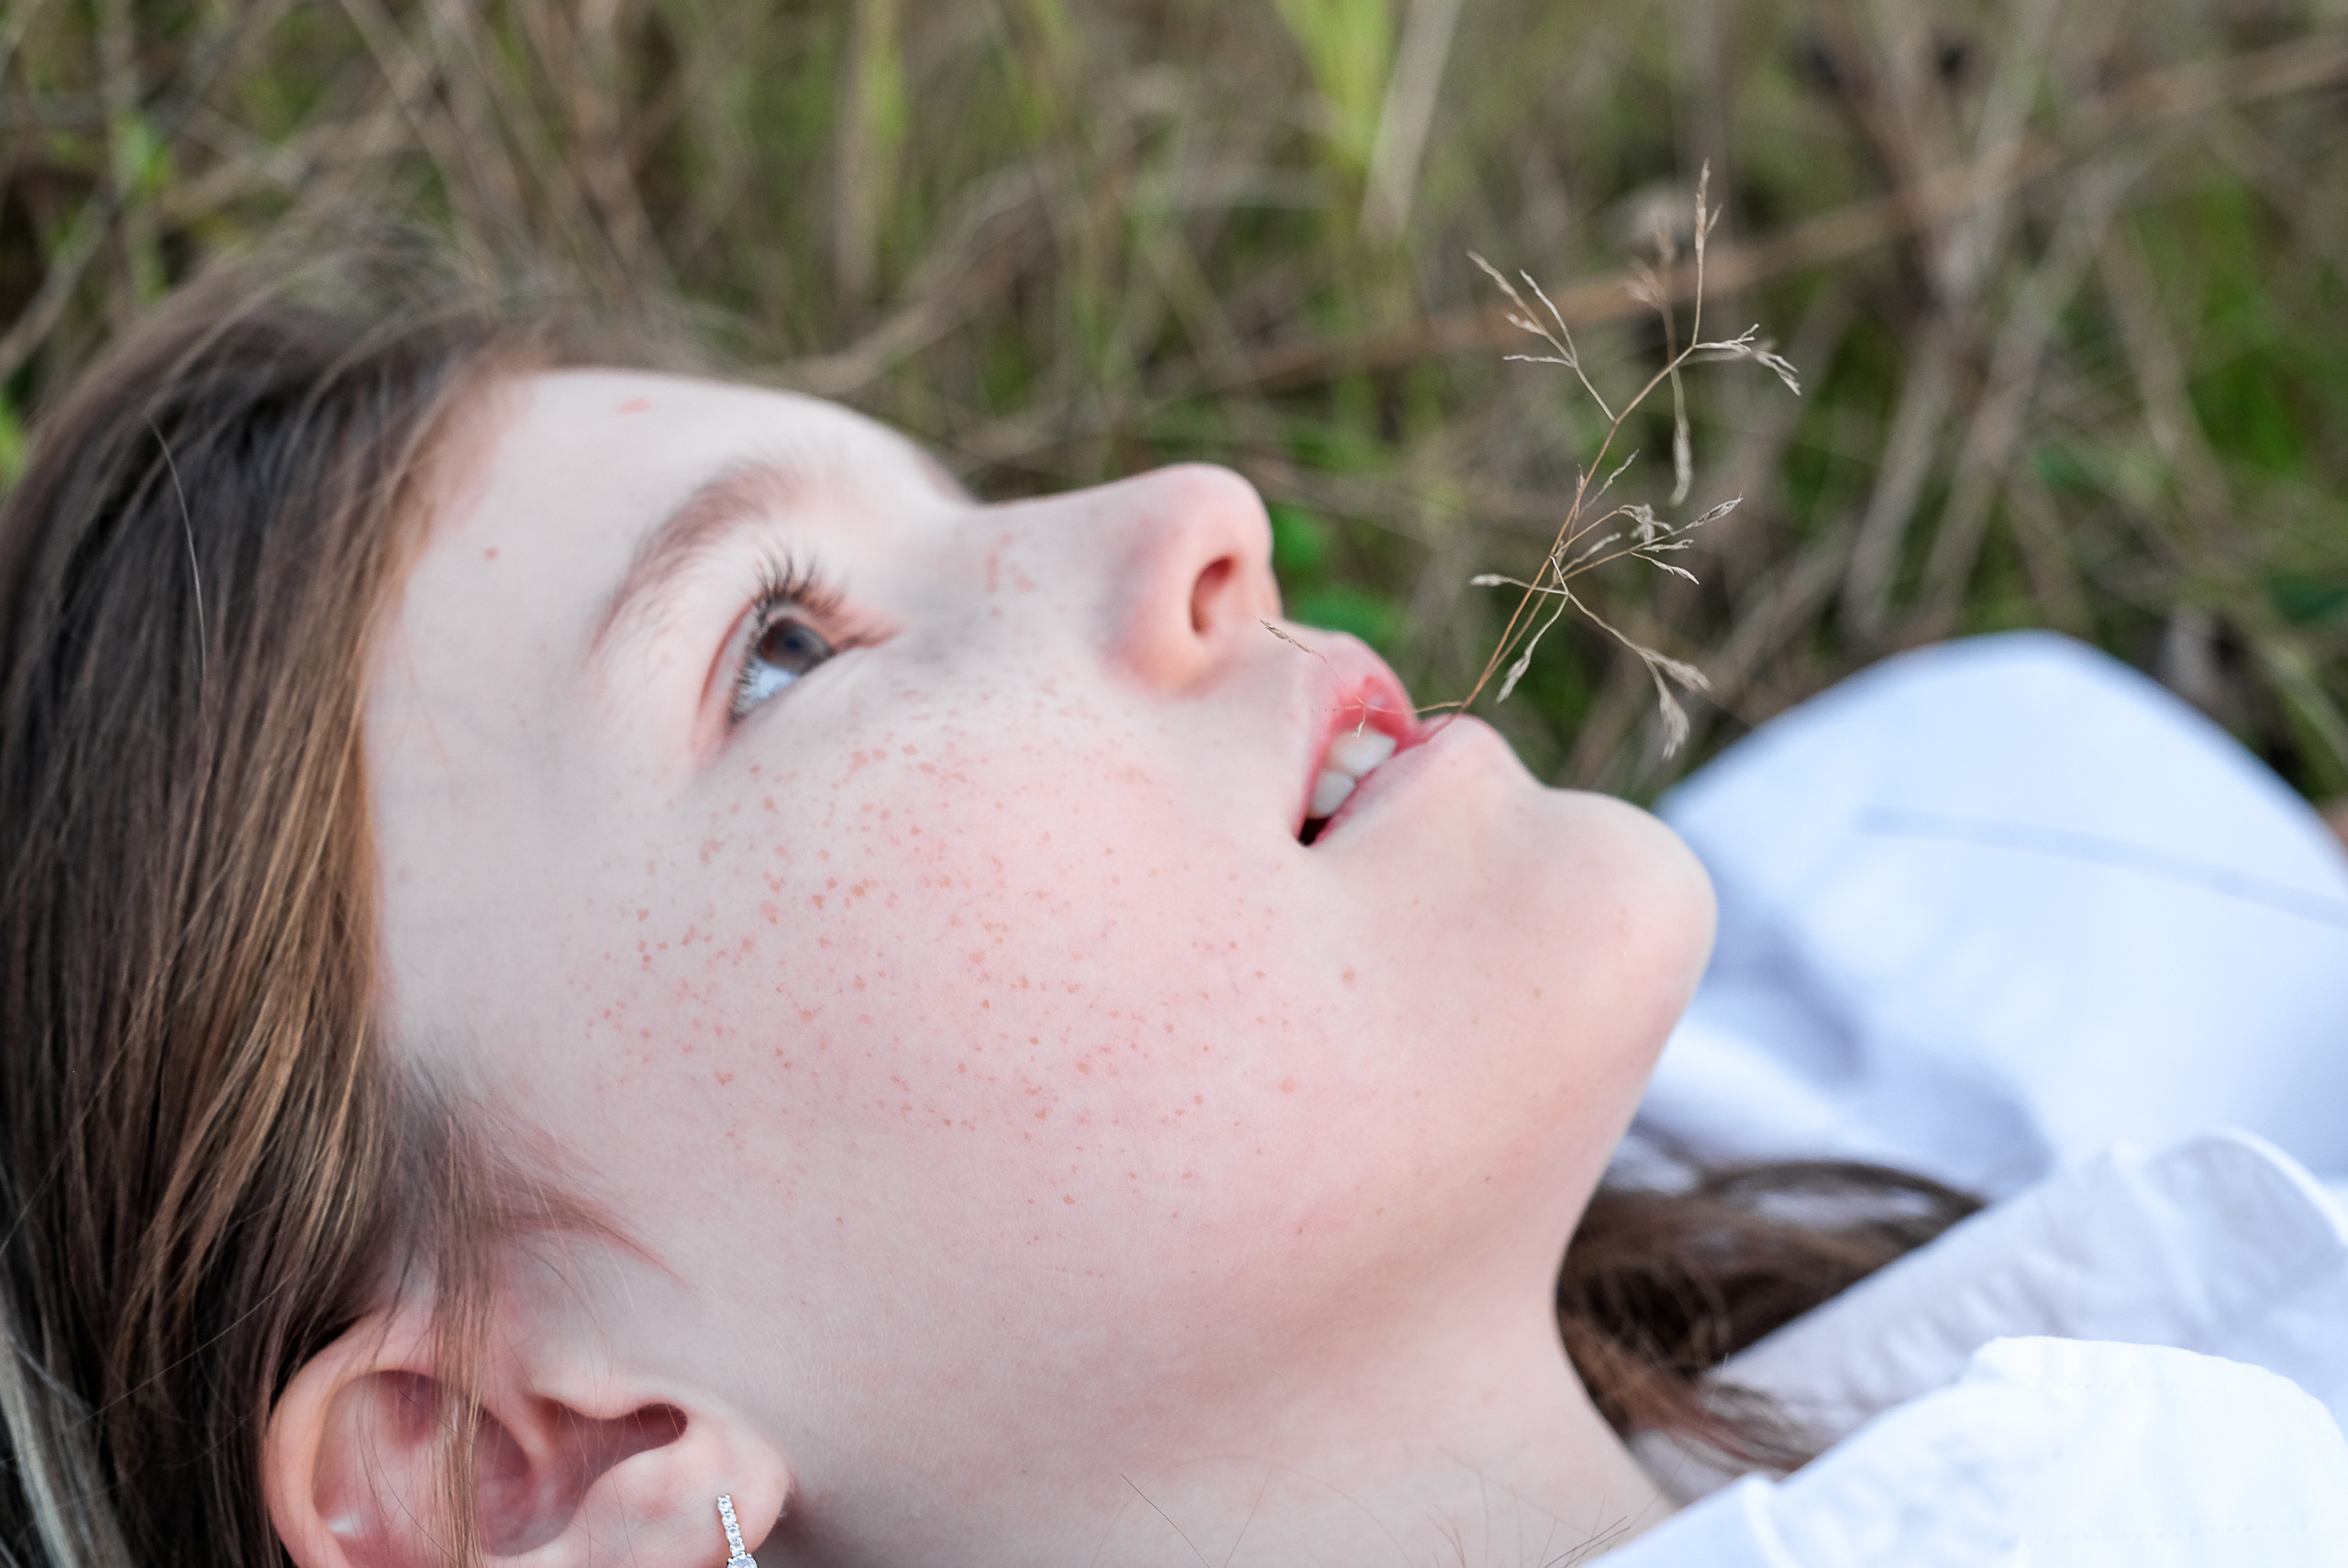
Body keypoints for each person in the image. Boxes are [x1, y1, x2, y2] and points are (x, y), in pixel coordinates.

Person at [1, 241, 2342, 1568]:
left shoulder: (1994, 885)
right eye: (783, 644)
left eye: (961, 497)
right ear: (519, 1460)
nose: (1193, 509)